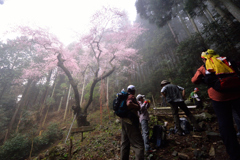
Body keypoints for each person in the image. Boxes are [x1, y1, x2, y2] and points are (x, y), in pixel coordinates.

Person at [191, 49, 240, 160]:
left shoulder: (204, 67)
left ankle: (235, 154)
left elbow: (194, 80)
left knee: (225, 125)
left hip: (219, 97)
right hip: (237, 93)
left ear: (203, 58)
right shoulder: (225, 60)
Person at [120, 85, 144, 160]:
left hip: (123, 121)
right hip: (131, 121)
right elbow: (129, 104)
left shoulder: (123, 97)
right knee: (138, 145)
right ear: (133, 91)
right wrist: (137, 106)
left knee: (125, 143)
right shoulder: (131, 97)